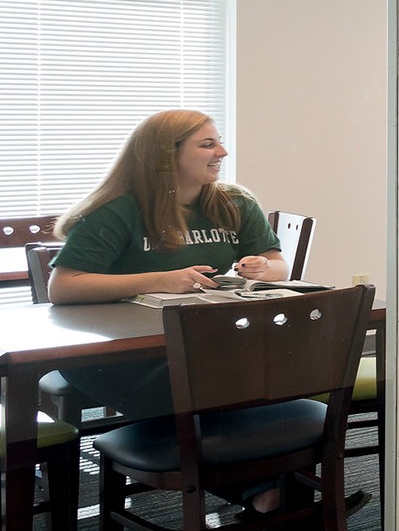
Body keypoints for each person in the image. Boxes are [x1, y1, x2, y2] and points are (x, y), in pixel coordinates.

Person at [49, 110, 288, 424]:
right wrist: (161, 280)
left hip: (200, 341)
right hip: (122, 352)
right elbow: (63, 286)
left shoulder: (235, 202)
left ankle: (234, 462)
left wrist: (262, 268)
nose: (222, 153)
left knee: (264, 377)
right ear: (165, 156)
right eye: (207, 145)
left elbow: (279, 267)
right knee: (222, 393)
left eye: (220, 142)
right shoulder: (116, 210)